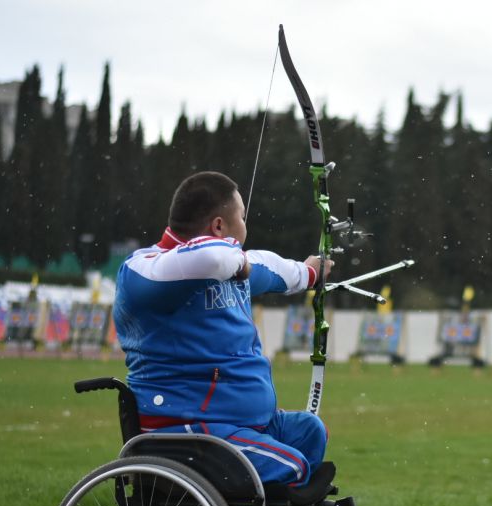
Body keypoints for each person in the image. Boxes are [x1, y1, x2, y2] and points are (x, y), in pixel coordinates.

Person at [113, 171, 332, 488]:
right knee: (293, 467)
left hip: (237, 425)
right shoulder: (143, 269)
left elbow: (273, 269)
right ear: (218, 226)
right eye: (242, 217)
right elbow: (214, 259)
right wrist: (239, 262)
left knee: (309, 431)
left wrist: (311, 273)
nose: (245, 227)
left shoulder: (228, 263)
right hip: (186, 433)